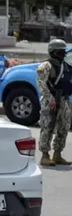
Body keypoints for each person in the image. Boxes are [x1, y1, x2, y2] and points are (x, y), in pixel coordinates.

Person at [36, 38, 72, 166]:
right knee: (47, 128)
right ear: (53, 52)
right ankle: (45, 156)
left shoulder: (66, 66)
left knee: (64, 127)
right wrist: (50, 99)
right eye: (60, 52)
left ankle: (57, 154)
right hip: (51, 101)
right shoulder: (46, 66)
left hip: (64, 100)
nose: (63, 54)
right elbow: (41, 84)